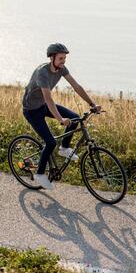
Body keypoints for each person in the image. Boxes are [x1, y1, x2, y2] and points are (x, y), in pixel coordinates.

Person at [22, 43, 101, 190]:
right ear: (52, 58)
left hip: (43, 106)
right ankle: (39, 173)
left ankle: (64, 148)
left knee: (75, 118)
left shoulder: (61, 69)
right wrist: (60, 119)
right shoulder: (42, 73)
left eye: (64, 58)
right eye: (60, 58)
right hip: (32, 110)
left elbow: (76, 86)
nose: (63, 61)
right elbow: (48, 98)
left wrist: (92, 104)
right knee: (50, 142)